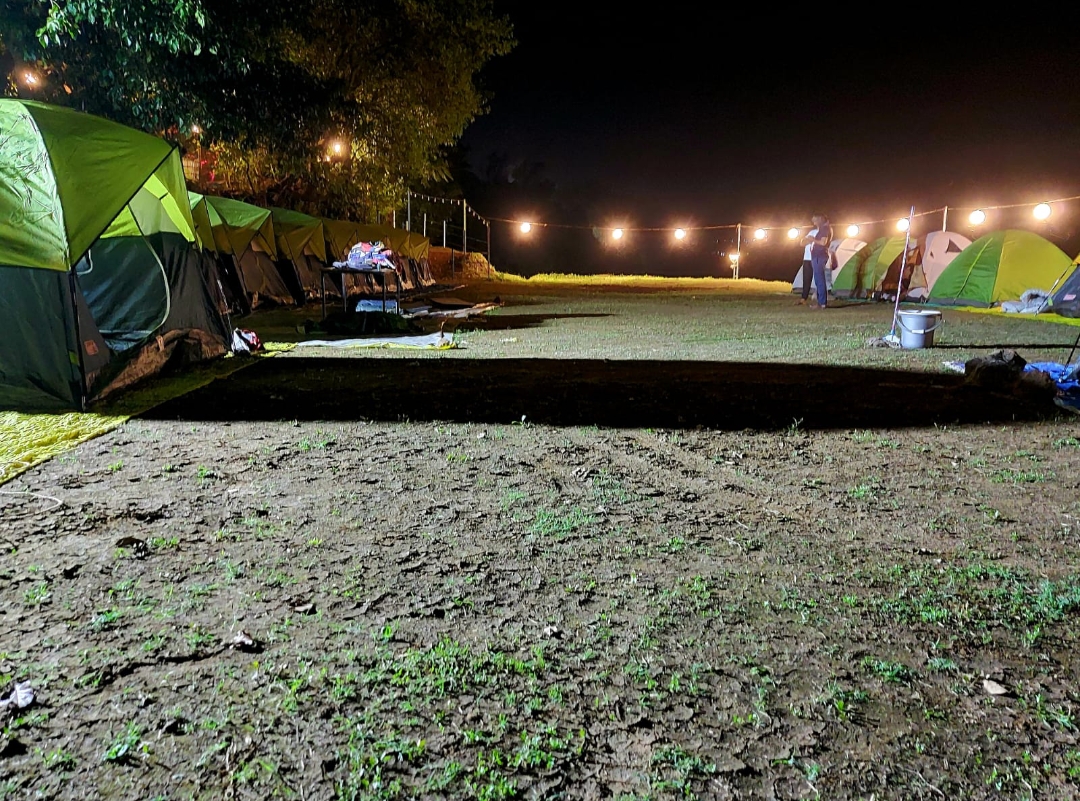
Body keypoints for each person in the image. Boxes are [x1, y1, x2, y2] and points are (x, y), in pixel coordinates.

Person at [802, 213, 832, 309]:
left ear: (820, 220)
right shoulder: (824, 229)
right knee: (818, 279)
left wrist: (813, 240)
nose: (814, 223)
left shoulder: (824, 229)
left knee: (819, 279)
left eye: (815, 221)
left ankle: (822, 302)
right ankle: (821, 302)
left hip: (819, 256)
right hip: (817, 256)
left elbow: (823, 242)